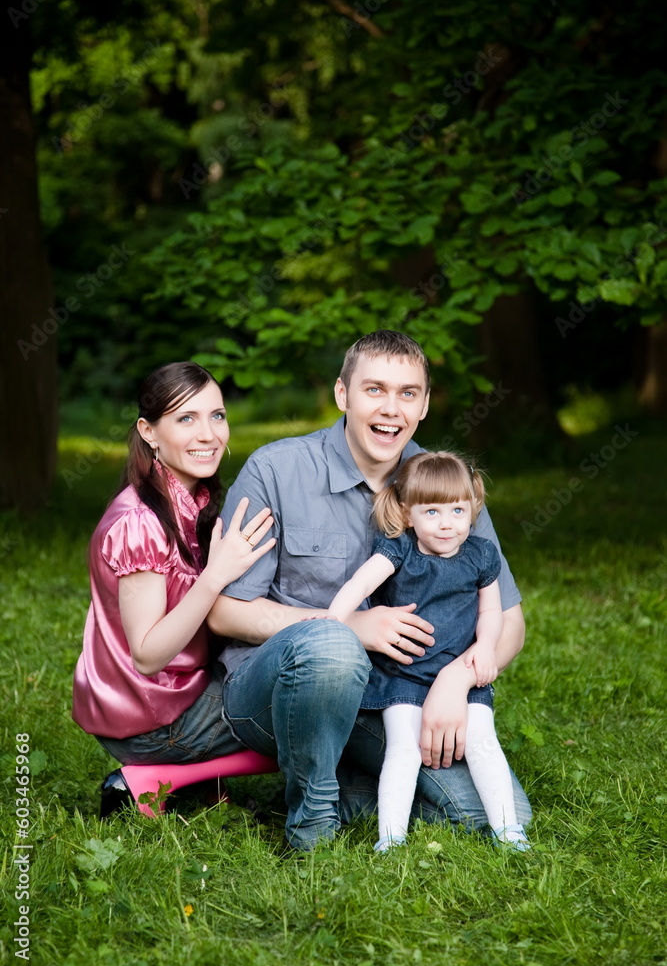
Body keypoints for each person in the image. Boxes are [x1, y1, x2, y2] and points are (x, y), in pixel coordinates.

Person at [210, 330, 531, 851]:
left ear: (425, 404)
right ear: (343, 395)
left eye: (408, 393)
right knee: (333, 647)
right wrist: (347, 627)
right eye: (374, 389)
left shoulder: (444, 484)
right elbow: (224, 611)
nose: (391, 409)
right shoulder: (276, 469)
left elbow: (509, 621)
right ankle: (311, 820)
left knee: (492, 815)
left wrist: (456, 676)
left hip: (395, 695)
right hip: (277, 691)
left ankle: (345, 789)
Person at [308, 451, 530, 852]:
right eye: (431, 512)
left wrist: (483, 647)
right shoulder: (400, 551)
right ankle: (390, 838)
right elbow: (360, 585)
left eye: (458, 510)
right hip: (404, 675)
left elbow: (491, 609)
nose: (447, 524)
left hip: (460, 675)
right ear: (408, 514)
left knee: (482, 741)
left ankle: (509, 829)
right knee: (404, 750)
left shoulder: (480, 554)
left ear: (473, 509)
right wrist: (334, 619)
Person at [72, 362, 275, 767]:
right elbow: (147, 655)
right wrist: (216, 575)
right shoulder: (140, 523)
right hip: (154, 723)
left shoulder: (186, 501)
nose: (208, 434)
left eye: (217, 416)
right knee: (307, 692)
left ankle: (203, 783)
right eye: (186, 419)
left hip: (180, 693)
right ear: (149, 432)